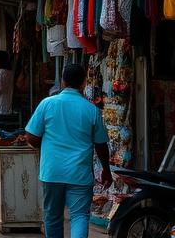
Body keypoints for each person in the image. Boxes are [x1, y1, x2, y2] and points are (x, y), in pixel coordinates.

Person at [25, 62, 112, 238]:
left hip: (52, 172)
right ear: (84, 83)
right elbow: (101, 144)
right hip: (79, 174)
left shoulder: (47, 104)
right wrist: (106, 170)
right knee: (79, 216)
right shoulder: (92, 110)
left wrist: (47, 147)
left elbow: (31, 137)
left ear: (63, 81)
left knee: (53, 216)